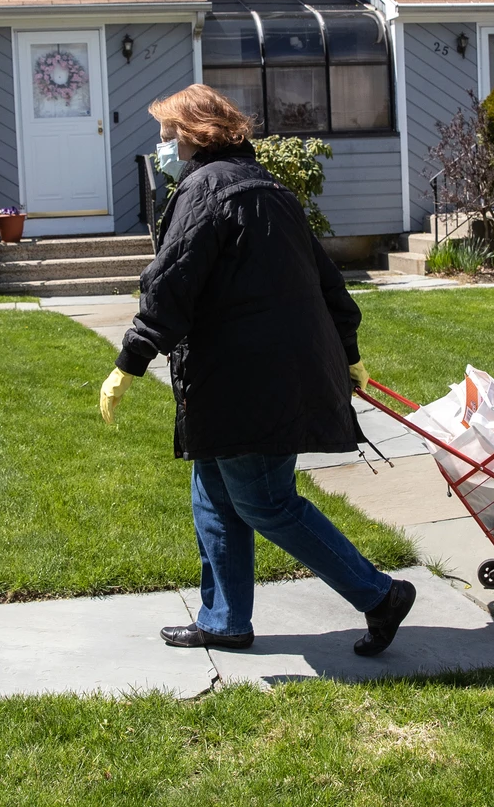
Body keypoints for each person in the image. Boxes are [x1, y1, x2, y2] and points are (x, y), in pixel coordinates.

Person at [97, 84, 415, 656]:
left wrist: (129, 362)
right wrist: (349, 352)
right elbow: (329, 282)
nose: (161, 147)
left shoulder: (206, 190)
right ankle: (224, 620)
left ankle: (379, 594)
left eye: (167, 136)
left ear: (194, 136)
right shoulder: (268, 187)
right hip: (245, 375)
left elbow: (171, 285)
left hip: (250, 380)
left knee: (266, 501)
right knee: (214, 497)